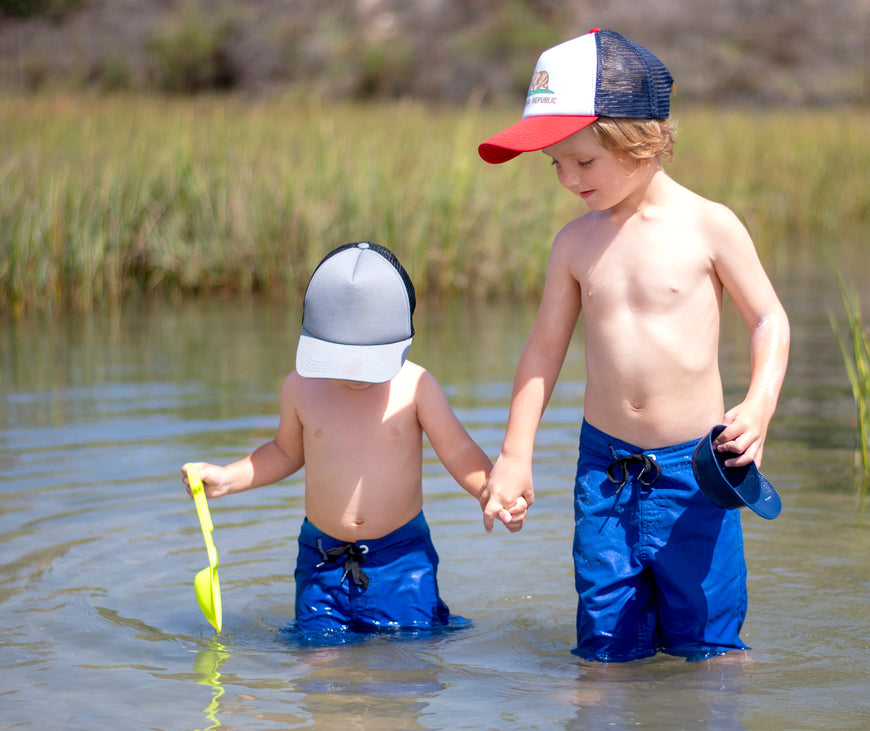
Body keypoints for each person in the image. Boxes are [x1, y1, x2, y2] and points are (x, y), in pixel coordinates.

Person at [477, 29, 790, 662]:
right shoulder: (574, 244)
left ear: (640, 140)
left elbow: (769, 321)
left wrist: (758, 406)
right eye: (555, 164)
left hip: (697, 475)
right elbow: (542, 352)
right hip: (606, 473)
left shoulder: (710, 226)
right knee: (605, 650)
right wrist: (514, 454)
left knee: (709, 648)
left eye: (583, 161)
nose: (568, 179)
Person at [181, 241, 527, 638]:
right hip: (320, 560)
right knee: (320, 669)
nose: (356, 375)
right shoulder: (301, 388)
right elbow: (283, 451)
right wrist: (228, 478)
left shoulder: (415, 386)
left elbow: (457, 450)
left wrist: (491, 490)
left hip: (400, 561)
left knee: (405, 667)